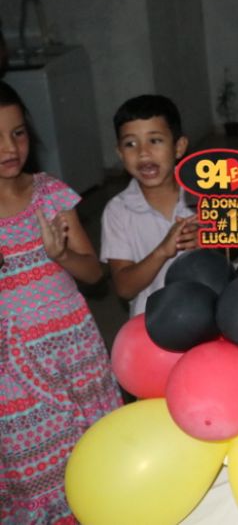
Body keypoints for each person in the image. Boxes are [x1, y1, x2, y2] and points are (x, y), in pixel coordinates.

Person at [0, 81, 122, 523]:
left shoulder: (52, 194)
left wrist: (62, 255)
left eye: (17, 133)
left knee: (96, 461)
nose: (9, 147)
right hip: (15, 375)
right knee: (38, 471)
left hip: (76, 354)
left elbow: (95, 273)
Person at [101, 95, 198, 317]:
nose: (143, 152)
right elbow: (124, 288)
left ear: (179, 147)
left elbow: (232, 256)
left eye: (154, 140)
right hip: (151, 325)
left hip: (208, 318)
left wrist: (208, 242)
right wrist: (162, 251)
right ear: (119, 153)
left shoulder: (205, 196)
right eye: (130, 144)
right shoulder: (117, 211)